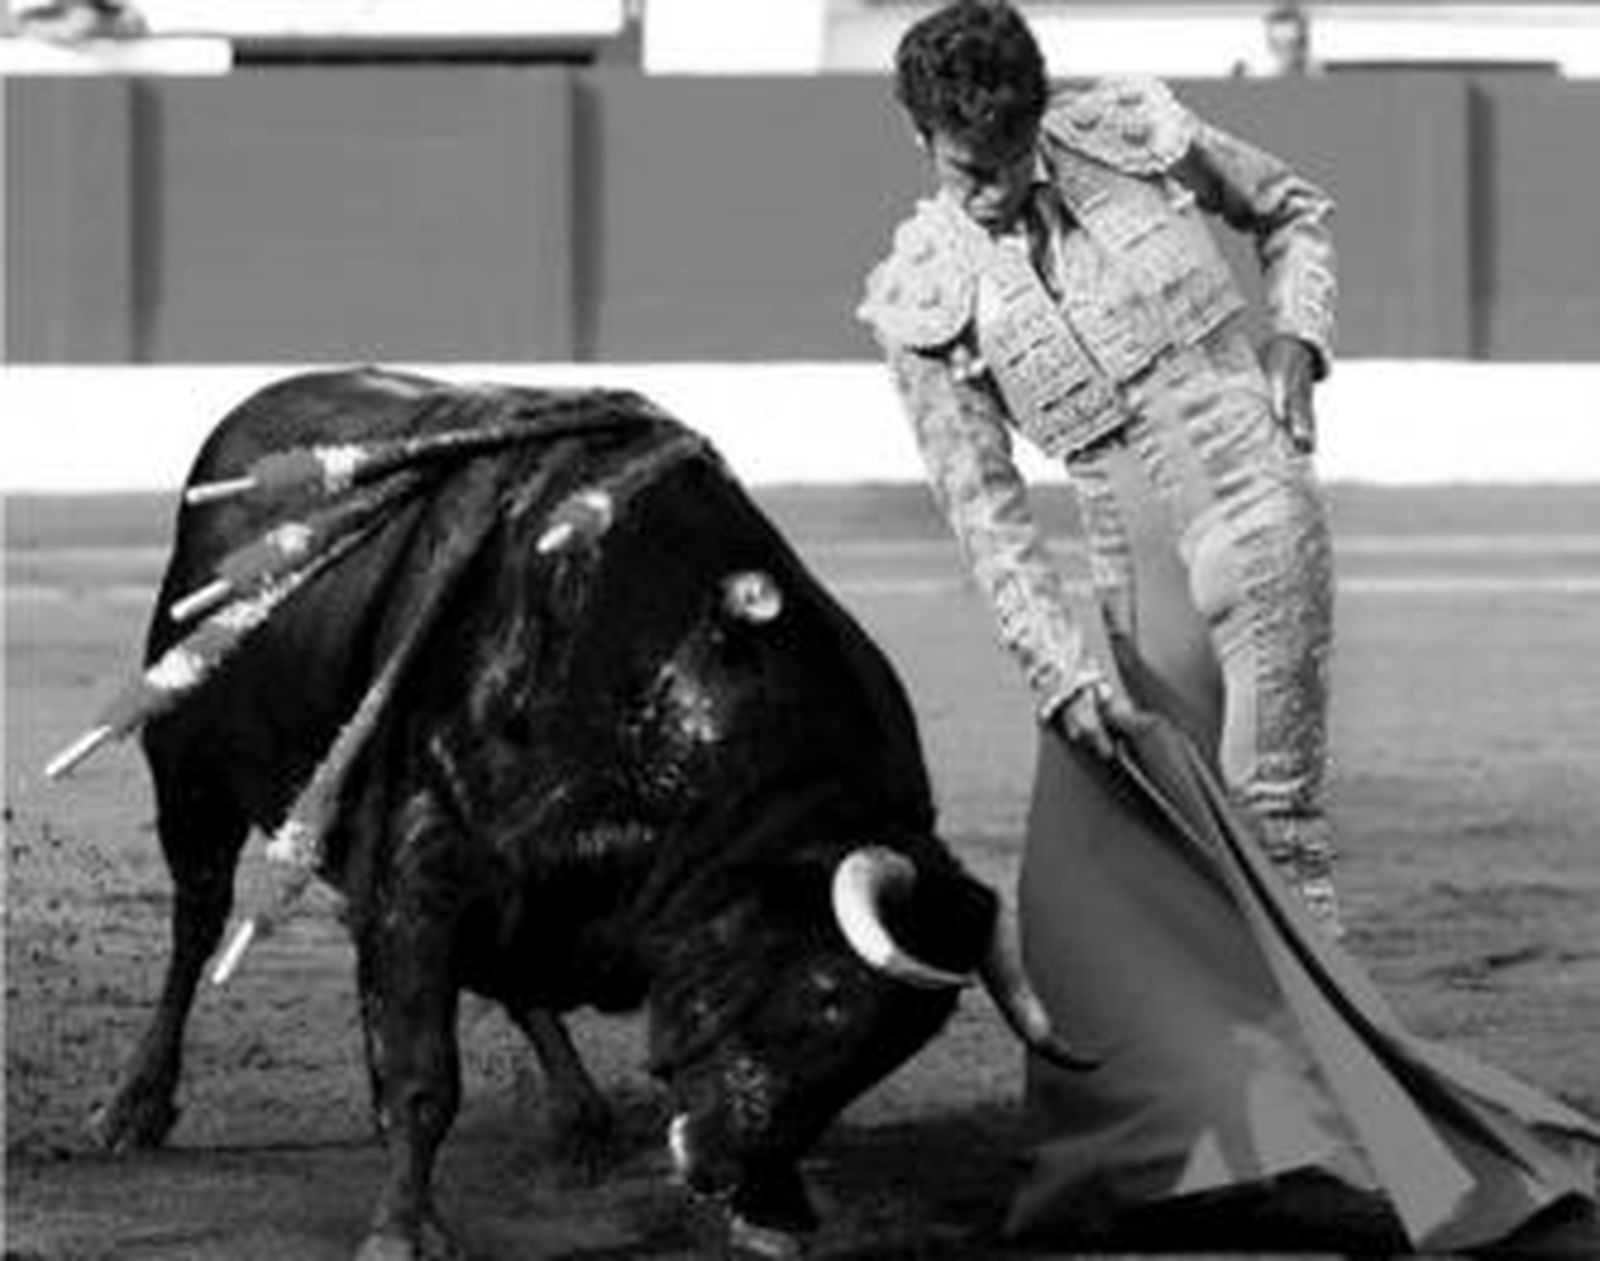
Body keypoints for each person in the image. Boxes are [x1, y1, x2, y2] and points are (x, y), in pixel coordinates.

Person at [859, 2, 1600, 1252]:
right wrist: (1055, 671)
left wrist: (1298, 338)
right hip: (1124, 570)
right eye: (960, 163)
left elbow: (1291, 205)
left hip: (1255, 508)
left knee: (1277, 832)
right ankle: (1220, 1132)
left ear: (1038, 114)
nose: (986, 190)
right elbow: (985, 514)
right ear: (920, 134)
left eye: (1006, 154)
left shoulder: (1131, 128)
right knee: (1121, 868)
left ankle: (1356, 1144)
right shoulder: (918, 293)